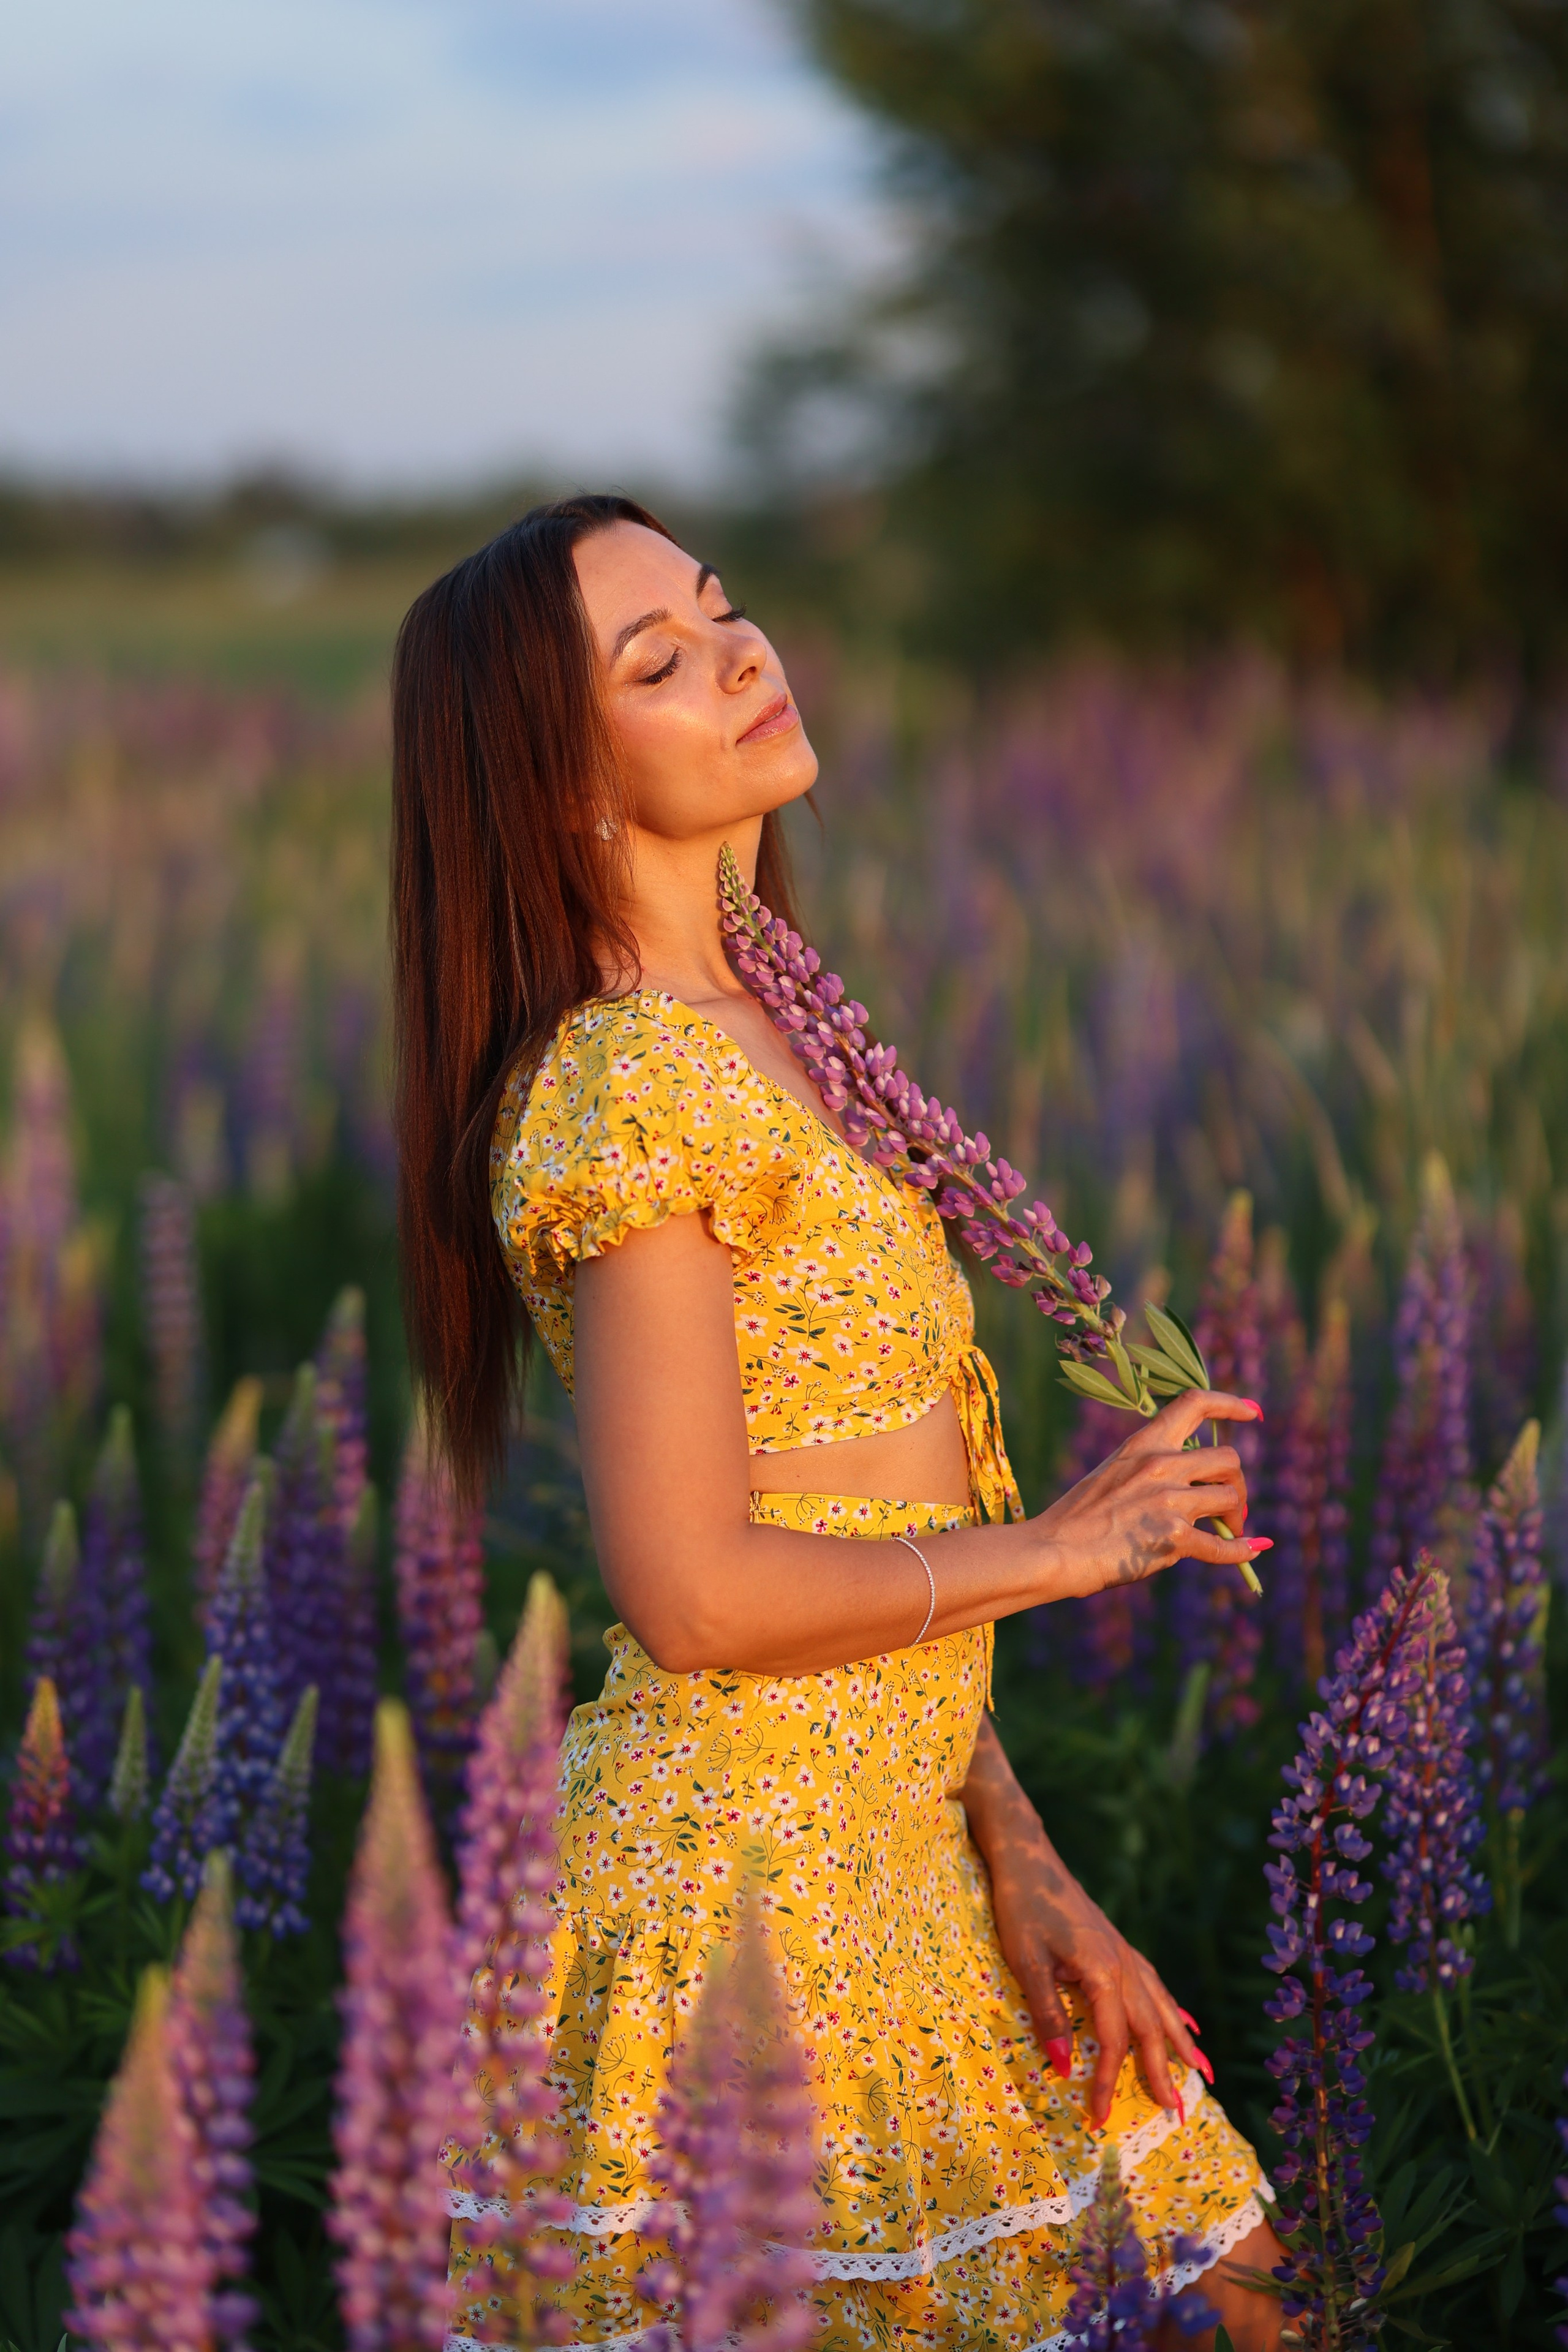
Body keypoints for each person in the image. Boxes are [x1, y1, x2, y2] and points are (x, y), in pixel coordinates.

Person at [393, 495, 1287, 2352]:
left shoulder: (777, 1004)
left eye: (724, 611)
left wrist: (1023, 1860)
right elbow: (701, 1599)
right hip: (742, 1902)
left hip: (905, 1851)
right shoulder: (630, 1074)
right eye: (659, 661)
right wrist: (1079, 1546)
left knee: (1249, 2301)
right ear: (561, 786)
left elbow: (863, 1527)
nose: (740, 655)